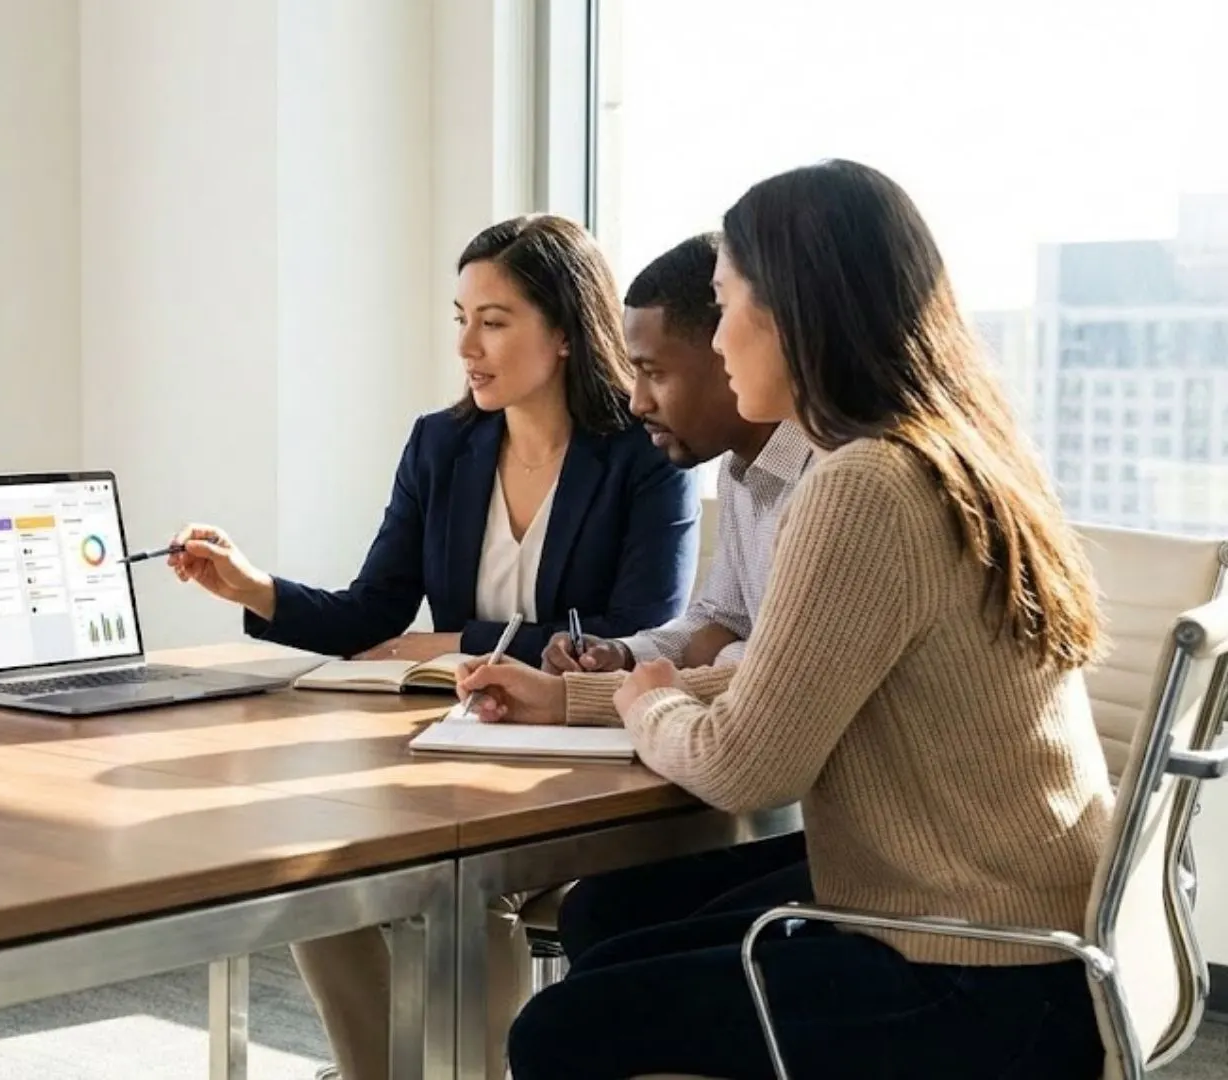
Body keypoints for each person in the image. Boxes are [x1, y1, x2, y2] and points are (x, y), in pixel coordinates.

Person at [487, 159, 1113, 1079]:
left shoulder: (865, 483)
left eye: (727, 300)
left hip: (974, 972)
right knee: (612, 924)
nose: (723, 333)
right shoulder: (948, 453)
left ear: (792, 314)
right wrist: (594, 696)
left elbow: (747, 764)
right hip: (1023, 932)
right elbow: (785, 674)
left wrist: (643, 703)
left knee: (560, 1029)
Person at [168, 214, 700, 1080]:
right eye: (461, 318)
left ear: (564, 331)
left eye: (493, 321)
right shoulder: (442, 444)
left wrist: (463, 637)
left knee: (470, 888)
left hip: (586, 758)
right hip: (455, 748)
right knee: (327, 881)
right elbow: (373, 610)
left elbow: (631, 632)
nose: (467, 346)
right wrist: (254, 588)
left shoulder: (646, 456)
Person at [457, 231, 817, 960]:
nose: (636, 398)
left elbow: (761, 690)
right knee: (603, 918)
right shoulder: (748, 474)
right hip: (812, 824)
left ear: (730, 355)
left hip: (853, 856)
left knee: (585, 987)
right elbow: (720, 624)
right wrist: (621, 657)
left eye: (652, 371)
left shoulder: (835, 484)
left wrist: (596, 698)